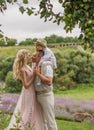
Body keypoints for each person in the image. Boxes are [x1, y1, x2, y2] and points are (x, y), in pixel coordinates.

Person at [5, 49, 44, 130]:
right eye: (28, 55)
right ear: (24, 57)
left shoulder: (27, 66)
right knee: (27, 109)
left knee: (34, 109)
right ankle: (22, 127)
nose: (30, 56)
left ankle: (34, 127)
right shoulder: (22, 69)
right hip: (28, 92)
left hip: (32, 91)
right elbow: (26, 85)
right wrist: (34, 75)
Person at [32, 50, 58, 130]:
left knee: (50, 120)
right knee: (43, 121)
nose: (32, 57)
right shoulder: (35, 65)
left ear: (40, 57)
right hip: (38, 96)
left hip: (46, 96)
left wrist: (38, 74)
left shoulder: (46, 65)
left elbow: (49, 81)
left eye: (34, 56)